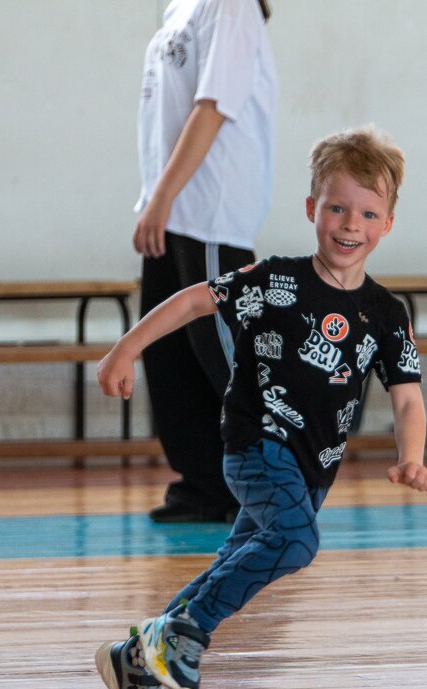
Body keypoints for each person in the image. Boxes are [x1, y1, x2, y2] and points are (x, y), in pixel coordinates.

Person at [94, 126, 427, 689]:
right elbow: (194, 301)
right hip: (257, 445)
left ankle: (138, 659)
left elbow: (407, 398)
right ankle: (182, 636)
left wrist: (412, 456)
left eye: (366, 212)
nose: (348, 224)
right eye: (336, 207)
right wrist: (125, 350)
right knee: (297, 543)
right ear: (311, 210)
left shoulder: (385, 313)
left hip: (313, 469)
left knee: (237, 558)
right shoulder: (275, 282)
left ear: (387, 224)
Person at [136, 0, 277, 524]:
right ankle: (207, 484)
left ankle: (279, 483)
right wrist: (158, 198)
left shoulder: (232, 5)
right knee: (170, 356)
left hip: (211, 208)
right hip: (175, 208)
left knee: (224, 353)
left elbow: (213, 106)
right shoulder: (180, 5)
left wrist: (163, 197)